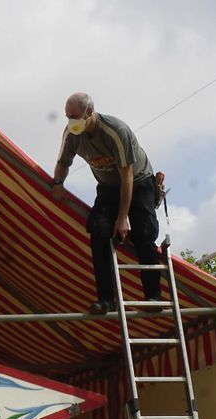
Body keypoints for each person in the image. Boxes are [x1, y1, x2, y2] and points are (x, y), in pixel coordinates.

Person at [51, 92, 162, 315]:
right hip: (108, 187)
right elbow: (63, 162)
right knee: (99, 231)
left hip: (137, 183)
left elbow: (127, 177)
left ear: (89, 112)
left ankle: (153, 296)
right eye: (67, 117)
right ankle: (106, 300)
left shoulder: (115, 131)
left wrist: (122, 219)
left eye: (74, 116)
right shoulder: (72, 134)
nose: (71, 122)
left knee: (143, 233)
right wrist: (58, 183)